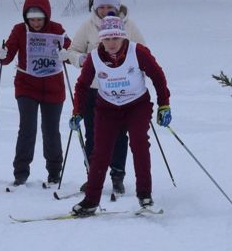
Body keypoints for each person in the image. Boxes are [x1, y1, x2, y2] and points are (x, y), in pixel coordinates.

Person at [69, 15, 170, 215]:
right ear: (101, 40)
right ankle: (91, 200)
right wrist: (77, 112)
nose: (112, 43)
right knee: (101, 152)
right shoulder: (94, 58)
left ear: (123, 37)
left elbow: (158, 76)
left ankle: (145, 196)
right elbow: (81, 86)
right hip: (107, 108)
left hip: (137, 106)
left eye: (116, 38)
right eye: (107, 39)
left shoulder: (137, 52)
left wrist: (163, 105)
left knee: (139, 143)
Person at [63, 0, 145, 195]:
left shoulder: (129, 26)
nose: (105, 10)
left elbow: (142, 51)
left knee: (119, 135)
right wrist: (80, 60)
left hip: (122, 91)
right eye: (101, 6)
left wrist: (134, 68)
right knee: (94, 134)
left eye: (110, 6)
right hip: (94, 90)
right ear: (95, 8)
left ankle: (118, 175)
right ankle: (92, 175)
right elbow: (72, 50)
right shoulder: (89, 26)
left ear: (117, 8)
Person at [0, 0, 72, 186]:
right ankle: (21, 172)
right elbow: (8, 55)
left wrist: (67, 55)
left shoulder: (57, 30)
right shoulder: (20, 30)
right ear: (25, 18)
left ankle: (54, 171)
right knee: (27, 128)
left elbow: (72, 51)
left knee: (51, 130)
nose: (36, 24)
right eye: (32, 19)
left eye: (39, 19)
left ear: (46, 16)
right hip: (27, 86)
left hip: (53, 88)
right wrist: (1, 54)